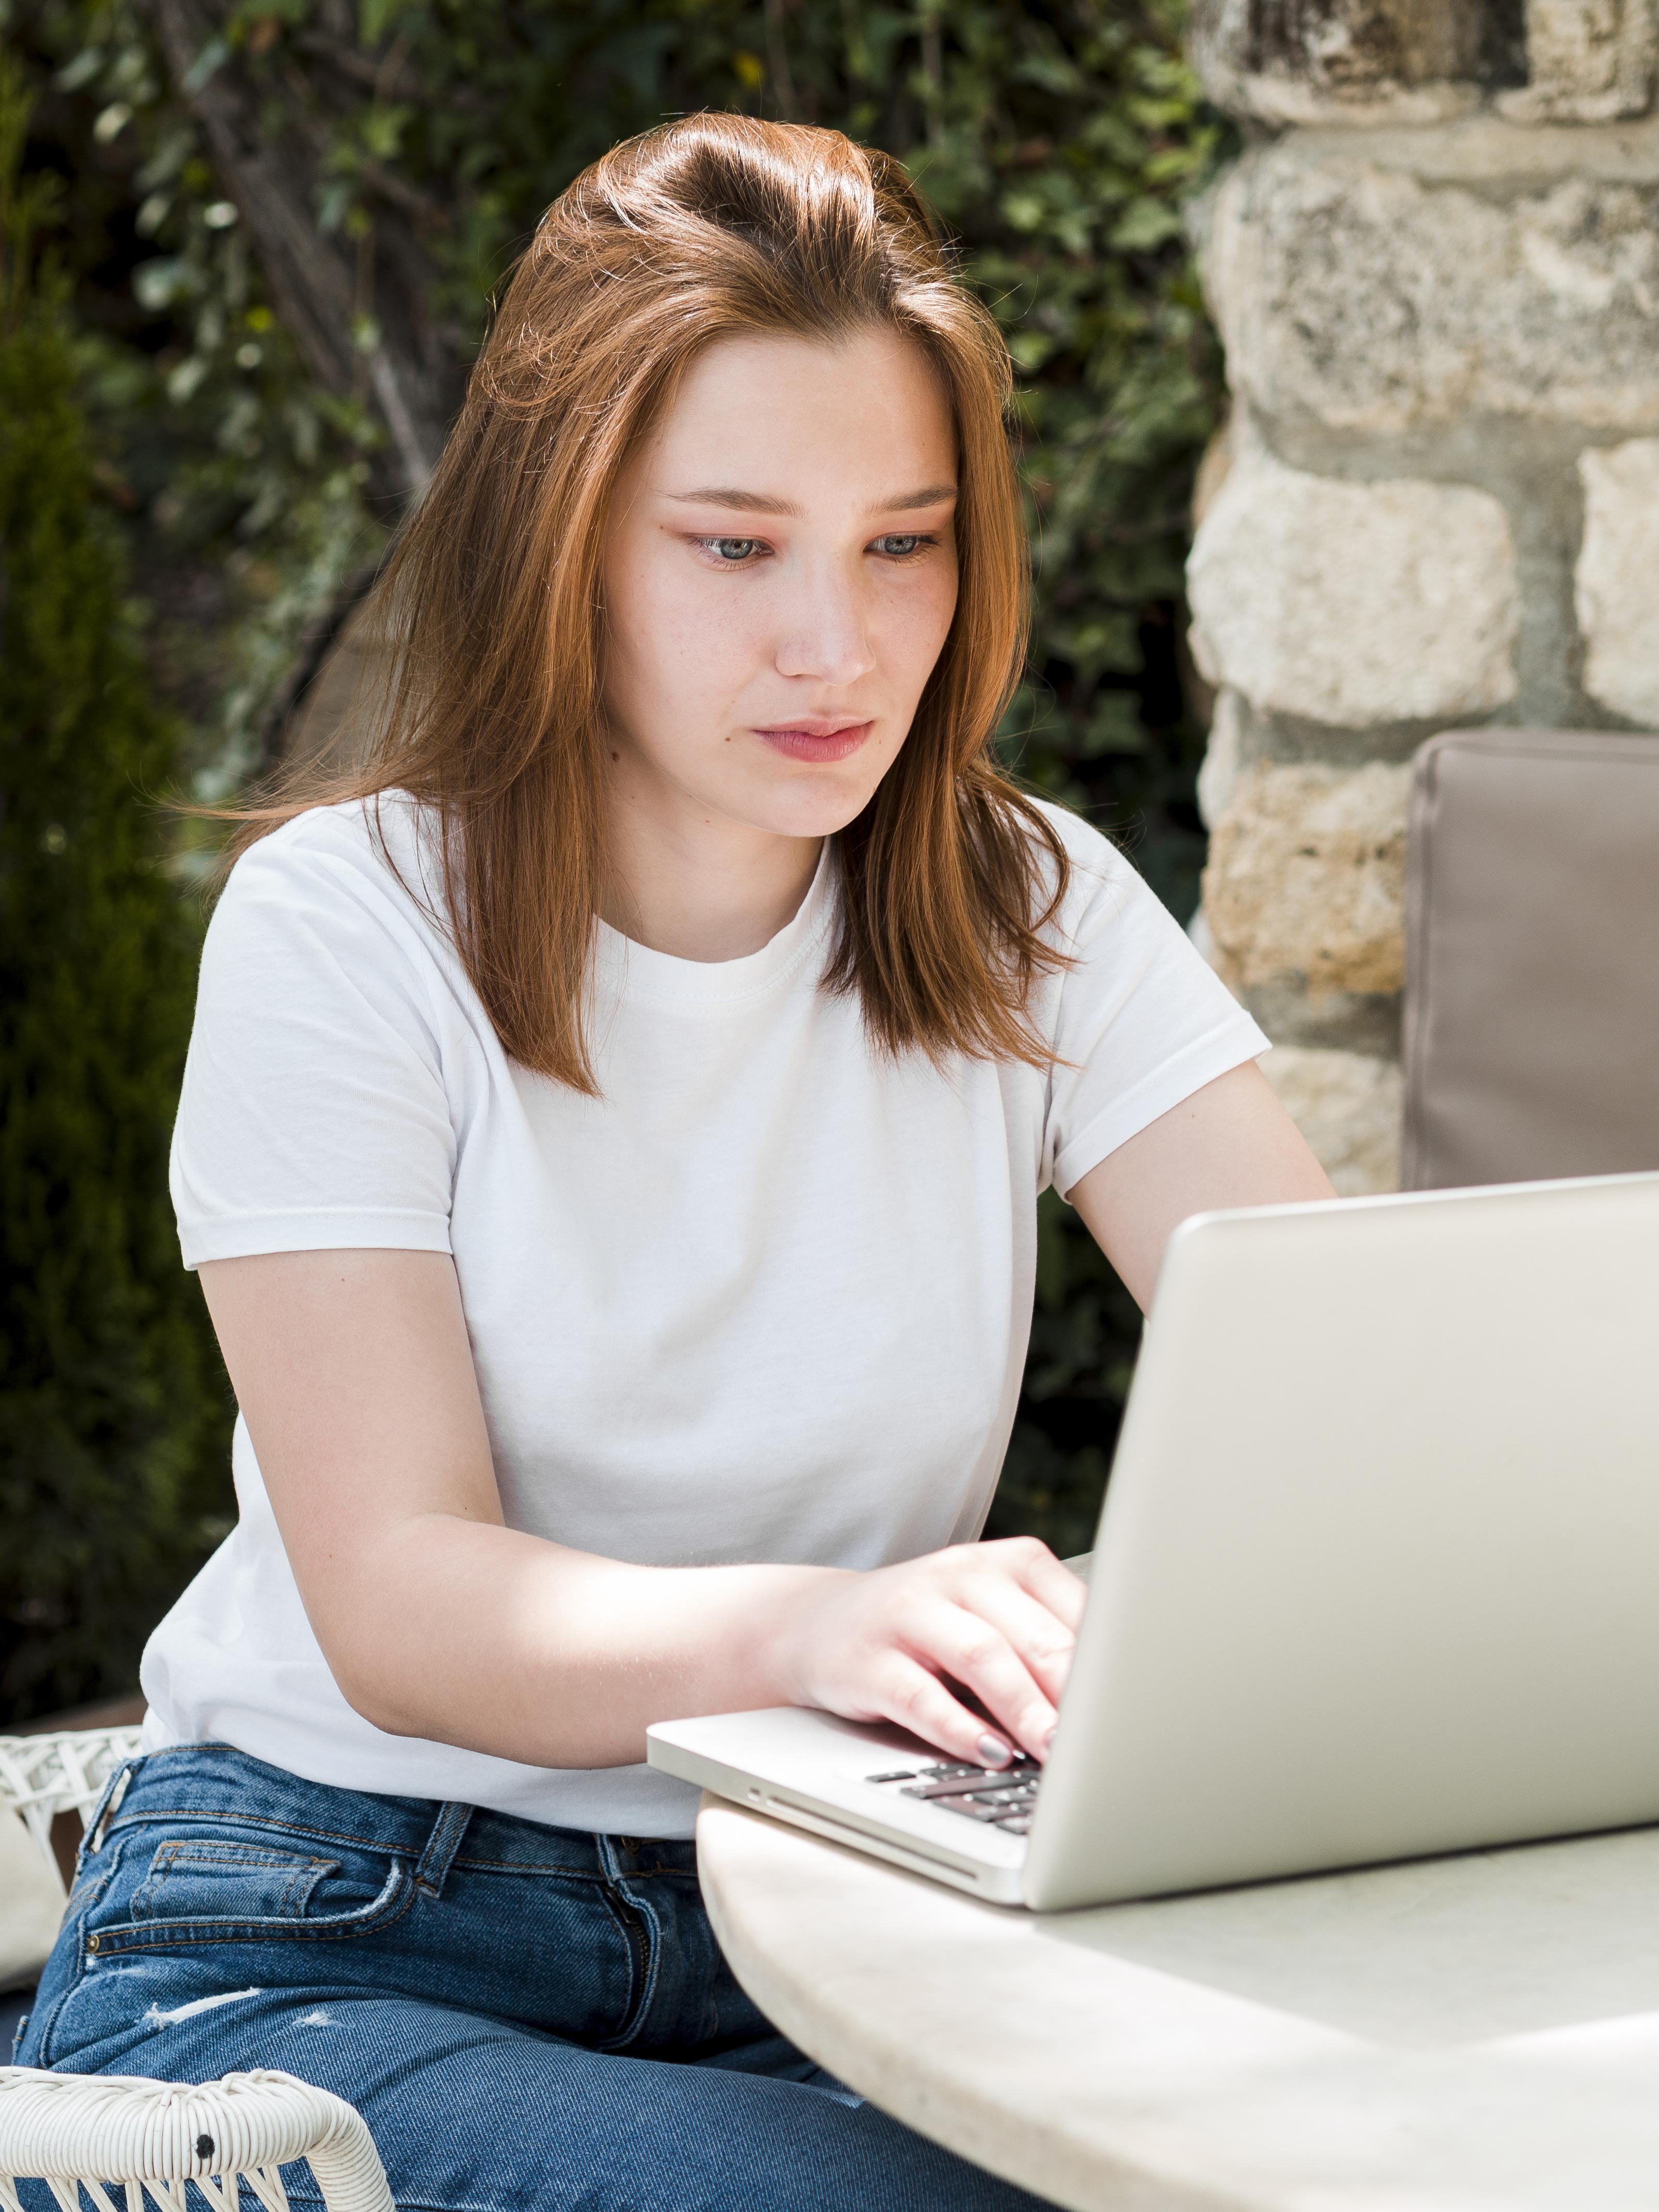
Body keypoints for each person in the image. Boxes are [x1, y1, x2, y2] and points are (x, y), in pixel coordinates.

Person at [18, 113, 1332, 2209]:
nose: (839, 644)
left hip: (831, 1916)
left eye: (902, 542)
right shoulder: (345, 929)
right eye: (733, 546)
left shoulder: (1031, 905)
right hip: (322, 1936)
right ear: (565, 541)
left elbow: (1350, 1379)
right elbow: (400, 1598)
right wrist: (820, 1633)